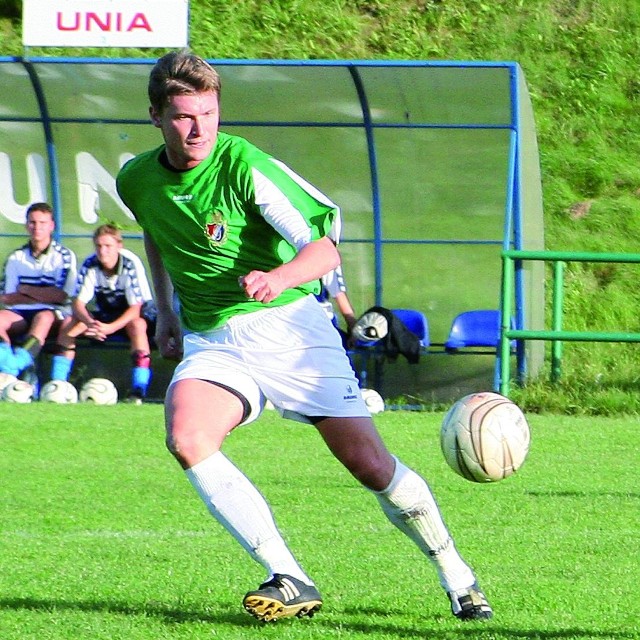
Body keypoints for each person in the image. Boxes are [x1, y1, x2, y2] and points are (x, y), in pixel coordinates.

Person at [116, 50, 492, 623]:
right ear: (155, 116)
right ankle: (287, 575)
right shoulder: (136, 178)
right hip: (214, 340)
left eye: (210, 114)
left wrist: (278, 276)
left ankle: (457, 576)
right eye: (184, 117)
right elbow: (156, 230)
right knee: (188, 437)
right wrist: (165, 310)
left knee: (370, 466)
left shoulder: (244, 165)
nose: (199, 129)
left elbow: (324, 249)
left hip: (289, 331)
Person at [49, 224, 155, 402]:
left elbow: (136, 308)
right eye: (98, 246)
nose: (102, 251)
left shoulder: (130, 264)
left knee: (138, 326)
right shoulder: (91, 264)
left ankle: (138, 391)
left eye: (108, 246)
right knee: (69, 325)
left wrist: (109, 328)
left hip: (134, 316)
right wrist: (91, 323)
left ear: (119, 246)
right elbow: (78, 303)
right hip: (104, 318)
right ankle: (57, 385)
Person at [0, 202, 77, 386]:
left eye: (42, 223)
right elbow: (7, 297)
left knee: (43, 317)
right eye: (33, 222)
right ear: (27, 225)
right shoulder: (16, 257)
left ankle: (12, 370)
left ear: (52, 226)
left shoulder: (64, 256)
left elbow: (61, 296)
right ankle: (12, 368)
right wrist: (44, 293)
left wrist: (26, 290)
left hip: (53, 313)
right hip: (20, 312)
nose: (37, 228)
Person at [315, 263, 358, 349]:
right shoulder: (323, 252)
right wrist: (353, 326)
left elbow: (338, 293)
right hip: (321, 325)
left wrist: (353, 326)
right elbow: (338, 293)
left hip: (317, 322)